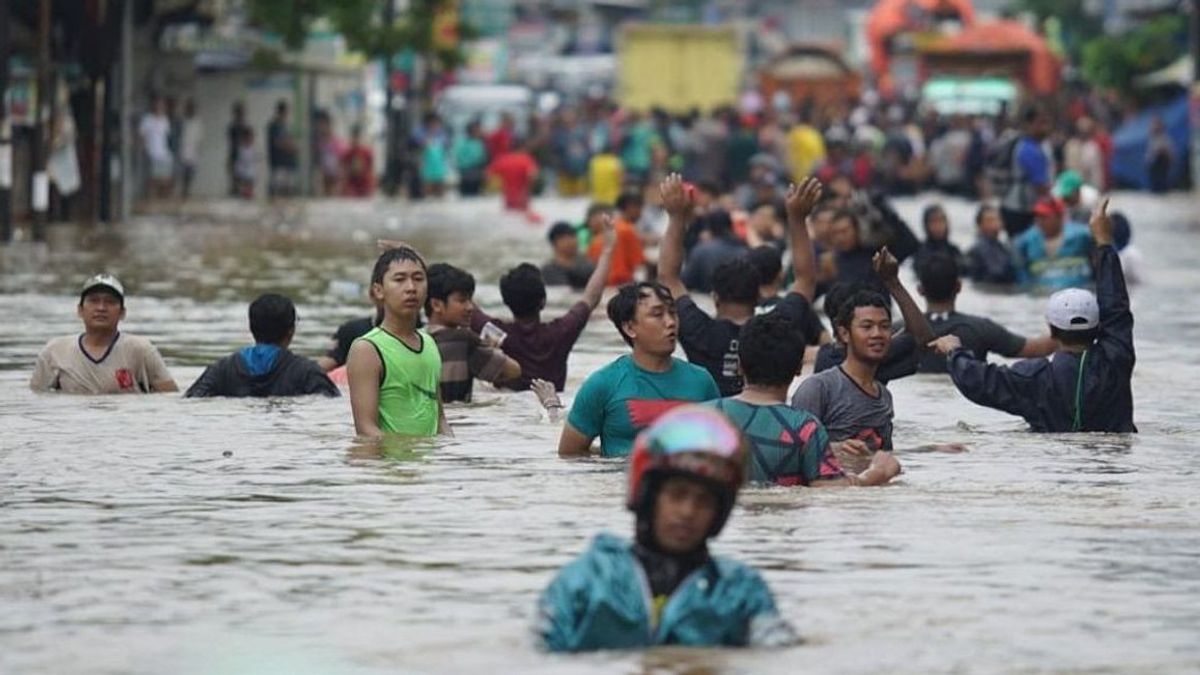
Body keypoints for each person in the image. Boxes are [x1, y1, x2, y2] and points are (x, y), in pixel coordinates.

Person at [538, 406, 797, 652]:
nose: (687, 512)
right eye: (676, 495)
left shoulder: (740, 592)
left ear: (721, 512)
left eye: (704, 501)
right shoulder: (585, 582)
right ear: (647, 496)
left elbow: (777, 649)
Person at [930, 198, 1135, 432]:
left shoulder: (1035, 378)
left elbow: (980, 381)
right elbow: (1115, 306)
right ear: (1098, 327)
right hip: (1113, 463)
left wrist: (954, 352)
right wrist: (1104, 243)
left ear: (1052, 329)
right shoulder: (1117, 359)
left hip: (1052, 463)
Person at [659, 174, 824, 397]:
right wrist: (797, 219)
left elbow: (668, 277)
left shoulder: (699, 331)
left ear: (715, 298)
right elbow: (805, 279)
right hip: (769, 422)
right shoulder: (775, 329)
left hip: (715, 424)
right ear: (757, 296)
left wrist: (676, 217)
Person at [704, 313, 901, 487]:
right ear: (798, 369)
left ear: (739, 365)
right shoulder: (804, 428)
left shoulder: (703, 416)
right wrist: (877, 473)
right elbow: (832, 490)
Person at [792, 250, 937, 460]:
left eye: (884, 326)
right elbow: (792, 452)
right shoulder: (818, 389)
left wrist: (927, 451)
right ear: (843, 332)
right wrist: (834, 450)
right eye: (867, 326)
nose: (877, 334)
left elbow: (881, 458)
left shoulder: (884, 397)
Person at [557, 282, 719, 458]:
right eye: (657, 314)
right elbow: (570, 454)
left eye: (672, 312)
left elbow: (721, 448)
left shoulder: (702, 381)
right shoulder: (602, 384)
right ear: (629, 328)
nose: (671, 322)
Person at [470, 215, 616, 392]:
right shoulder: (561, 331)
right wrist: (608, 250)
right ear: (543, 301)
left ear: (506, 302)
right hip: (552, 405)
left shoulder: (498, 333)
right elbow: (591, 297)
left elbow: (468, 308)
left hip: (510, 410)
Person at [346, 246, 448, 438]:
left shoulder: (430, 343)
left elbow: (440, 419)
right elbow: (367, 430)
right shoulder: (367, 349)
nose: (411, 288)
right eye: (399, 279)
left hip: (428, 464)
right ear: (378, 291)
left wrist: (450, 454)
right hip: (391, 465)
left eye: (418, 279)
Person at [907, 253, 1056, 374]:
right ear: (959, 286)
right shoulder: (979, 329)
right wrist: (1069, 328)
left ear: (920, 290)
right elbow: (1037, 349)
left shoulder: (898, 332)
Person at [31, 274, 178, 394]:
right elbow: (36, 401)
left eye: (110, 302)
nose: (101, 308)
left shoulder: (141, 349)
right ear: (80, 310)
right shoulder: (55, 351)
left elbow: (169, 399)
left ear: (122, 313)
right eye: (94, 301)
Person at [186, 294, 339, 398]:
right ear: (291, 331)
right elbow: (328, 404)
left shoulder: (221, 370)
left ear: (251, 327)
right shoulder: (308, 372)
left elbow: (192, 401)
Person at [424, 263, 521, 403]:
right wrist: (490, 349)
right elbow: (513, 371)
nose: (470, 307)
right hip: (459, 421)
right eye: (462, 300)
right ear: (436, 305)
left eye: (470, 299)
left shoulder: (416, 337)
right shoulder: (464, 340)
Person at [1013, 196, 1093, 291]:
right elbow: (1019, 268)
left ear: (1059, 217)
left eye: (1045, 217)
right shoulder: (1025, 241)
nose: (1040, 221)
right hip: (1040, 295)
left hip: (1077, 293)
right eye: (1037, 217)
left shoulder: (1082, 235)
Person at [999, 105, 1053, 237]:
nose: (1045, 128)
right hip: (1022, 211)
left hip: (1012, 205)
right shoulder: (1030, 150)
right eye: (1041, 123)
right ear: (1028, 125)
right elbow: (1041, 187)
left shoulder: (1024, 145)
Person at [681, 211, 747, 294]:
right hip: (737, 301)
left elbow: (687, 281)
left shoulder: (701, 250)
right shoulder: (743, 249)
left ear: (709, 228)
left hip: (706, 301)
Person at [587, 194, 644, 286]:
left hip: (601, 287)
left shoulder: (596, 240)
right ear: (631, 207)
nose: (641, 213)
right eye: (640, 208)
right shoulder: (627, 230)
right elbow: (639, 264)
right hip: (623, 285)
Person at [966, 204, 1018, 285]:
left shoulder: (1003, 247)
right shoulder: (979, 248)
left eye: (997, 219)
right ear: (980, 225)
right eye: (990, 220)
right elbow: (996, 273)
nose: (995, 223)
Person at [911, 203, 966, 274]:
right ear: (926, 225)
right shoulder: (920, 253)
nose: (938, 226)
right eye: (933, 222)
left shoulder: (954, 251)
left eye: (941, 221)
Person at [488, 138, 539, 213]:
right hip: (522, 199)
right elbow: (533, 175)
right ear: (523, 147)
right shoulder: (526, 160)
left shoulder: (502, 159)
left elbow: (489, 175)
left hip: (507, 198)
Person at [541, 221, 595, 290]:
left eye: (572, 237)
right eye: (564, 238)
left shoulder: (587, 263)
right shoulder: (549, 269)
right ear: (555, 243)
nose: (570, 242)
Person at [138, 97, 174, 200]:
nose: (160, 107)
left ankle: (162, 199)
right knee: (153, 178)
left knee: (165, 178)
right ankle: (151, 198)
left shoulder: (165, 120)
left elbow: (167, 137)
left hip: (164, 152)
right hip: (151, 153)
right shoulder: (147, 119)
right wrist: (143, 149)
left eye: (162, 105)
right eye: (158, 105)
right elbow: (142, 136)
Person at [267, 100, 299, 198]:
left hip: (288, 162)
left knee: (288, 189)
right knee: (278, 188)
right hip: (279, 162)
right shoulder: (274, 126)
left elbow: (289, 140)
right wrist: (291, 147)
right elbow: (278, 143)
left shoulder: (286, 126)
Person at [453, 120, 487, 197]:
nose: (479, 132)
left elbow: (483, 156)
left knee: (476, 192)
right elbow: (459, 157)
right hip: (467, 170)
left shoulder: (479, 142)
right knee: (467, 192)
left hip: (477, 170)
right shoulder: (462, 142)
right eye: (476, 130)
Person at [341, 125, 375, 198]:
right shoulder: (347, 155)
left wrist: (370, 188)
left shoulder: (367, 153)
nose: (355, 140)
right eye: (353, 138)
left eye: (357, 138)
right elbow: (344, 173)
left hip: (365, 188)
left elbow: (371, 172)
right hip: (352, 188)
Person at [419, 114, 449, 197]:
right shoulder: (423, 136)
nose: (434, 126)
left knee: (440, 189)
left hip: (439, 167)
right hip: (428, 167)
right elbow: (421, 152)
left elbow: (446, 152)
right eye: (432, 124)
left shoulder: (443, 137)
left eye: (436, 124)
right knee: (427, 188)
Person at [178, 98, 203, 200]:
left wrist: (197, 150)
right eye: (189, 108)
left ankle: (187, 192)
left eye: (193, 108)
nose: (191, 110)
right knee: (182, 174)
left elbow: (199, 139)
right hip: (182, 150)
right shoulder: (182, 121)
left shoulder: (198, 122)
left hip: (193, 151)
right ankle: (183, 192)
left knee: (190, 174)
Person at [226, 101, 250, 196]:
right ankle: (234, 192)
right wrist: (230, 159)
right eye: (239, 112)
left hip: (244, 155)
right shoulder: (232, 126)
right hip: (235, 154)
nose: (241, 114)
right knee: (234, 178)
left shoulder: (246, 126)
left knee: (244, 178)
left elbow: (248, 141)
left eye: (242, 112)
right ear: (235, 113)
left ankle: (242, 193)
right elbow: (230, 143)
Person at [233, 128, 257, 199]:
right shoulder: (240, 149)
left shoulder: (254, 149)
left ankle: (248, 193)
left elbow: (255, 163)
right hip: (242, 173)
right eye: (247, 138)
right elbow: (238, 163)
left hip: (251, 173)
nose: (249, 140)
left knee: (249, 192)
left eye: (251, 138)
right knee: (242, 192)